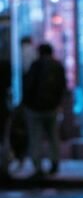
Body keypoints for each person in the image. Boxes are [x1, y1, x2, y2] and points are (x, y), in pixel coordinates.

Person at [22, 41, 67, 179]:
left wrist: (25, 103)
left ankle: (38, 167)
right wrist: (58, 103)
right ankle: (55, 162)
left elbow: (28, 85)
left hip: (35, 108)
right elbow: (62, 87)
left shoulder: (36, 65)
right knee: (53, 136)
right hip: (52, 108)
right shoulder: (58, 66)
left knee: (36, 137)